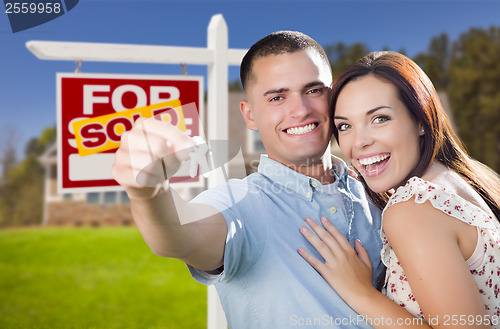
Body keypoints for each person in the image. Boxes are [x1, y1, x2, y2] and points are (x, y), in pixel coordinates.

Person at [112, 31, 384, 328]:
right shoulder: (242, 202)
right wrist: (149, 192)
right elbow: (180, 235)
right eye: (277, 97)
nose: (301, 110)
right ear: (250, 115)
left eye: (314, 90)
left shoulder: (375, 190)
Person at [298, 51, 500, 328]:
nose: (359, 143)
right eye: (345, 126)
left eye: (380, 118)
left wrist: (361, 293)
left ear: (420, 119)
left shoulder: (413, 209)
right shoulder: (461, 180)